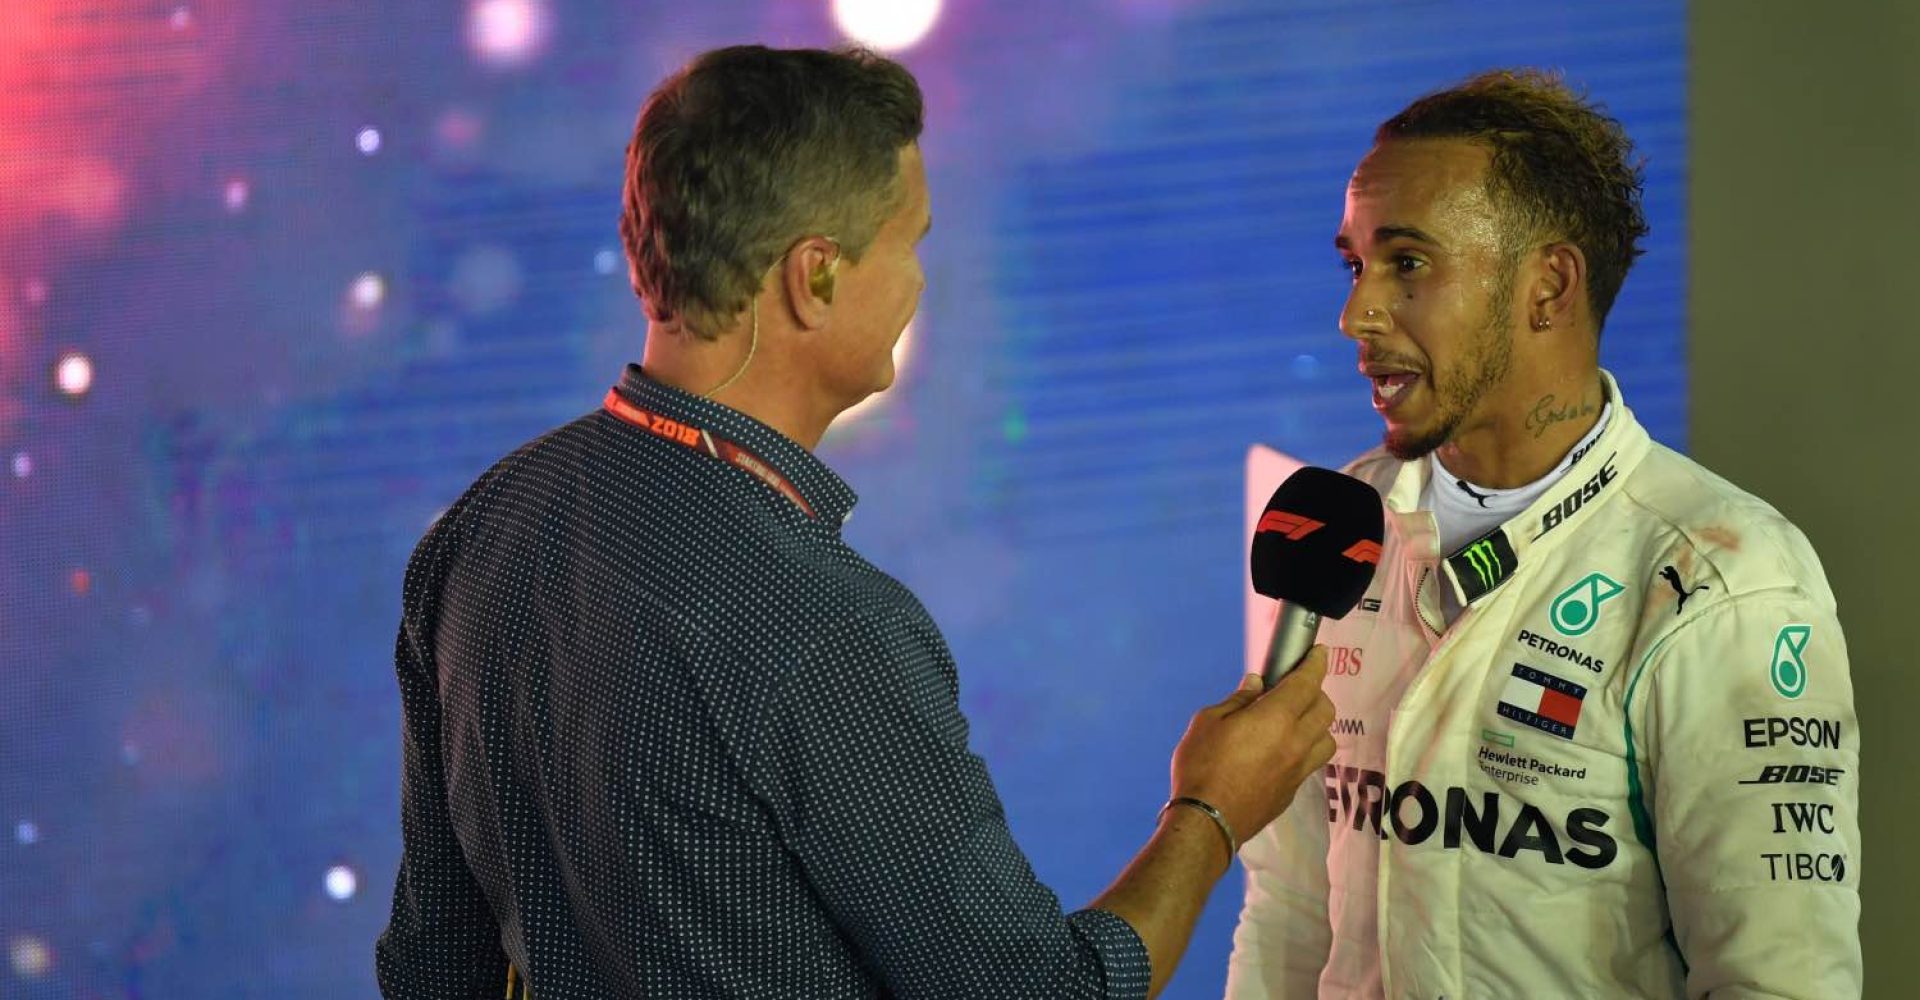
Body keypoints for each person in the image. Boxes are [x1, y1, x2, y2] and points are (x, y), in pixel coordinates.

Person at [373, 44, 1336, 1000]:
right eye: (910, 241)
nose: (921, 283)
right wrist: (1209, 812)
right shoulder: (824, 629)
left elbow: (433, 969)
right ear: (817, 276)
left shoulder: (479, 532)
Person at [1226, 69, 1862, 998]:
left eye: (1407, 263)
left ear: (1548, 285)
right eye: (1354, 263)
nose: (1356, 314)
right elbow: (1288, 911)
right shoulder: (1326, 527)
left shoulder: (1724, 577)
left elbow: (1779, 979)